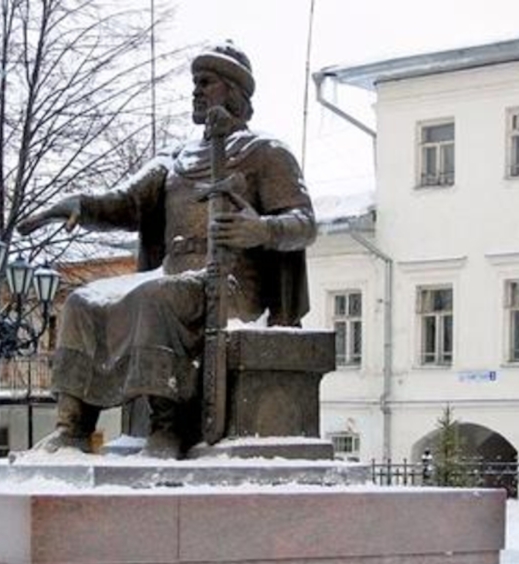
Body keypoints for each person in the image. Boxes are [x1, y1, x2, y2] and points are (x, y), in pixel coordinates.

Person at [17, 42, 317, 458]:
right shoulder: (175, 159)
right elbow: (125, 202)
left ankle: (167, 427)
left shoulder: (265, 153)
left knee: (157, 296)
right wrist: (81, 206)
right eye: (194, 82)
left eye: (206, 82)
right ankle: (73, 428)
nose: (196, 91)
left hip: (232, 284)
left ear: (233, 91)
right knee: (83, 301)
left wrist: (260, 229)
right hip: (173, 272)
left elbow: (305, 223)